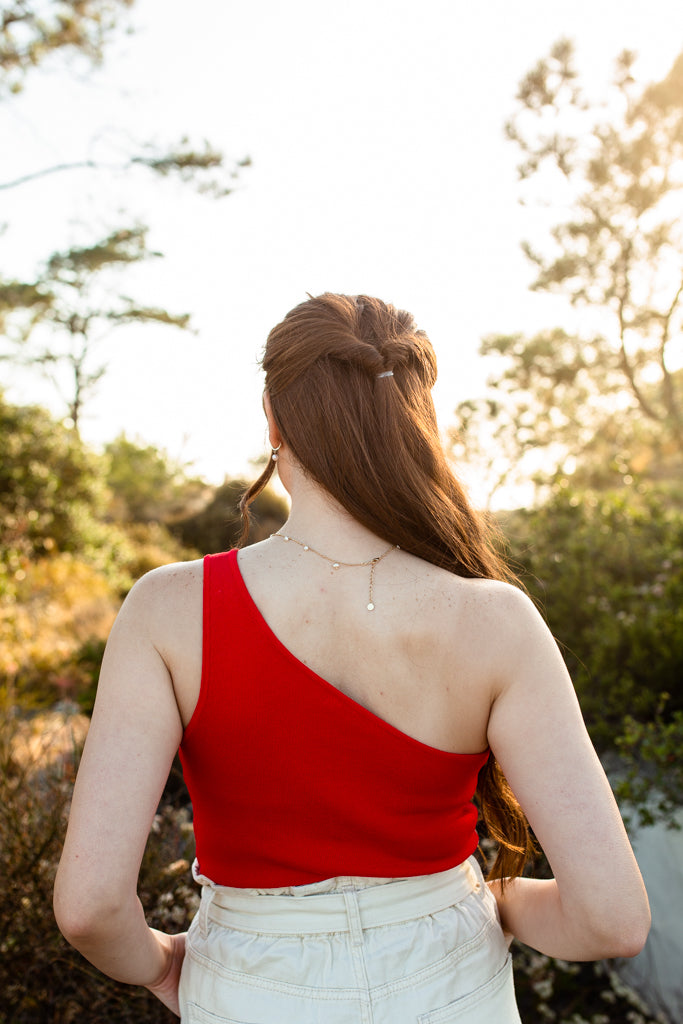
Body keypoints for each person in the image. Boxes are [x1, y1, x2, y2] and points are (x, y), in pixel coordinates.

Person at [54, 293, 650, 1022]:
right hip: (450, 983)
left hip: (249, 984)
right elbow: (612, 919)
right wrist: (491, 901)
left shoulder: (167, 609)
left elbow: (88, 908)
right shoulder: (496, 619)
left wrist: (160, 964)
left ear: (272, 419)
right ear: (417, 423)